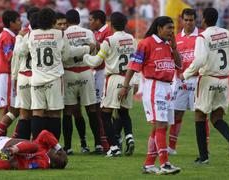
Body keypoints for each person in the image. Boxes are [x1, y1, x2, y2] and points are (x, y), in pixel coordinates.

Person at [16, 8, 93, 140]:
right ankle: (53, 146)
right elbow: (67, 54)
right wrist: (86, 48)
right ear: (53, 20)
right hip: (54, 79)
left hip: (37, 79)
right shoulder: (59, 34)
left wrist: (19, 38)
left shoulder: (31, 35)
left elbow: (20, 52)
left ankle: (37, 144)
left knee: (37, 112)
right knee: (55, 114)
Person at [119, 16, 181, 174]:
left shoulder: (169, 44)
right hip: (155, 86)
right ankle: (165, 164)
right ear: (159, 28)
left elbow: (179, 65)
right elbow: (133, 66)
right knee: (160, 125)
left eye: (172, 28)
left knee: (161, 127)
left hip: (168, 88)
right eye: (169, 28)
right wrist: (125, 86)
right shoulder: (146, 43)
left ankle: (148, 164)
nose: (171, 31)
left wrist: (174, 48)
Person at [183, 7, 229, 164]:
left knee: (200, 116)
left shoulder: (202, 36)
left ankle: (203, 157)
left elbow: (200, 60)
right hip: (224, 80)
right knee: (217, 117)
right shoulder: (226, 33)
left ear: (203, 20)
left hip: (208, 79)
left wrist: (185, 74)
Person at [84, 12, 136, 157]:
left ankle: (114, 146)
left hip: (114, 79)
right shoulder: (131, 39)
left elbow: (96, 62)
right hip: (128, 79)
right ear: (125, 24)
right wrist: (136, 81)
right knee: (124, 111)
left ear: (111, 24)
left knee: (105, 114)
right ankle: (129, 136)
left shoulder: (109, 40)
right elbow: (136, 61)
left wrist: (85, 55)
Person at [167, 8, 210, 155]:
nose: (188, 23)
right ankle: (171, 148)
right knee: (177, 114)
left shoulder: (202, 37)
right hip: (180, 80)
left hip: (198, 80)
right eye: (185, 20)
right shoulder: (176, 37)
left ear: (195, 20)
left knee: (201, 115)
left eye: (191, 20)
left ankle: (205, 149)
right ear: (181, 20)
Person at [61, 9, 100, 155]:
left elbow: (64, 55)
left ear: (67, 20)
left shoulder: (64, 34)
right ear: (79, 19)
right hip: (86, 72)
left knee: (69, 111)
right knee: (91, 109)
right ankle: (97, 144)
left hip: (69, 73)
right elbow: (94, 53)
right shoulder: (89, 33)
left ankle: (68, 146)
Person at [0, 130, 68, 170]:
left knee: (9, 164)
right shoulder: (45, 147)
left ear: (54, 163)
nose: (56, 151)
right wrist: (60, 148)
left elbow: (20, 164)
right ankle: (12, 150)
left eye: (58, 154)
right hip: (0, 143)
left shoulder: (43, 163)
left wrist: (13, 158)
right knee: (32, 146)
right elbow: (44, 133)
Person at [0, 10, 21, 138]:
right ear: (11, 23)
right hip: (5, 74)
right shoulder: (8, 37)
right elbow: (9, 57)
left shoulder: (4, 35)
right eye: (18, 20)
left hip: (0, 74)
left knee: (5, 110)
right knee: (12, 109)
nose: (21, 22)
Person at [10, 8, 39, 140]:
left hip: (23, 76)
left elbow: (17, 56)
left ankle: (22, 145)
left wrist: (14, 77)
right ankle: (36, 144)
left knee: (23, 113)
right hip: (37, 77)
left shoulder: (23, 35)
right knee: (37, 113)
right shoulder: (42, 35)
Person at [89, 9, 113, 152]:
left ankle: (108, 141)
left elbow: (107, 50)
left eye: (91, 19)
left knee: (103, 107)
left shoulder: (107, 32)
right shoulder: (96, 33)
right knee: (98, 107)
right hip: (96, 72)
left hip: (103, 72)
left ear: (98, 20)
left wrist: (96, 46)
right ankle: (104, 141)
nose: (90, 22)